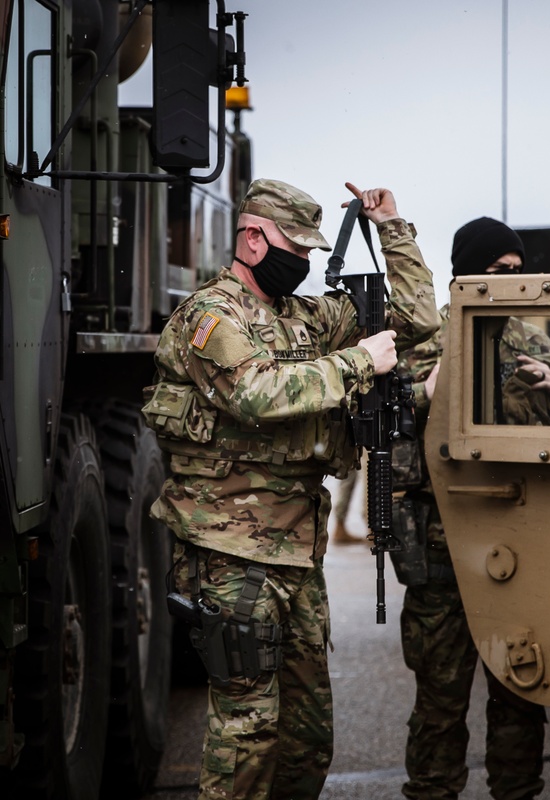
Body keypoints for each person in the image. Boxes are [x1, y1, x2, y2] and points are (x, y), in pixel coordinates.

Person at [142, 178, 438, 800]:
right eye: (293, 248)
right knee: (248, 733)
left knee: (306, 740)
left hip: (298, 556)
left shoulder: (301, 317)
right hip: (230, 558)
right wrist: (359, 362)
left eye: (309, 252)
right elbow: (256, 393)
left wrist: (391, 228)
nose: (302, 263)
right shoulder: (210, 316)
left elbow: (414, 319)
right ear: (252, 239)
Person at [392, 217, 550, 800]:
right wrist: (423, 392)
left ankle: (517, 792)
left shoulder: (532, 338)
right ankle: (431, 791)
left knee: (521, 690)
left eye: (518, 273)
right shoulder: (430, 338)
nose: (510, 282)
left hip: (520, 540)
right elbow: (386, 418)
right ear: (465, 273)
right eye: (498, 272)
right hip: (441, 540)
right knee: (440, 698)